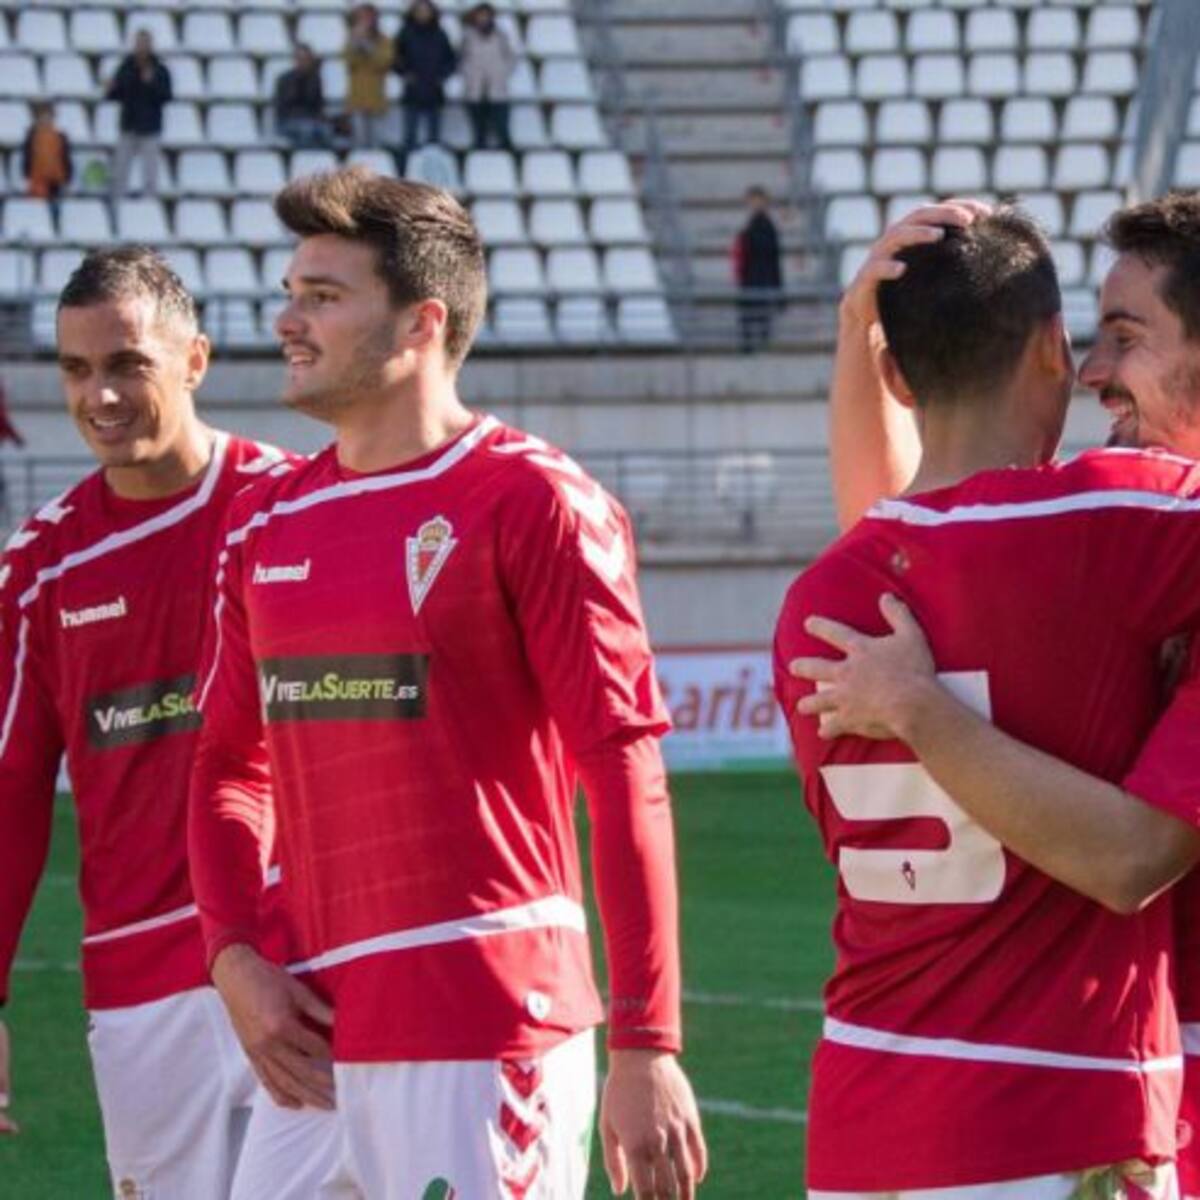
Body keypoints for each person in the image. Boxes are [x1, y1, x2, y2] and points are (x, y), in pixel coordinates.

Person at [189, 167, 707, 1199]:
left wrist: (647, 1041)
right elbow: (224, 767)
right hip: (309, 1036)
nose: (287, 321)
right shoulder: (264, 523)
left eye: (323, 297)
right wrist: (234, 957)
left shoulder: (534, 501)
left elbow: (624, 773)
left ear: (422, 323)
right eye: (291, 293)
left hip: (483, 1024)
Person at [775, 206, 1200, 1198]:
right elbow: (923, 534)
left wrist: (868, 344)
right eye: (1088, 338)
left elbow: (1134, 857)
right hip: (1084, 1102)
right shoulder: (1120, 528)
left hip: (912, 1103)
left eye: (1125, 336)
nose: (1093, 371)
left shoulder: (826, 600)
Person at [0, 247, 312, 1196]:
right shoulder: (40, 569)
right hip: (142, 988)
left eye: (127, 364)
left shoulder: (293, 506)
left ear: (195, 360)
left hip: (301, 956)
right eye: (76, 369)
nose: (99, 395)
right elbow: (11, 792)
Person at [105, 30, 172, 201]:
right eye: (139, 43)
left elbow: (166, 96)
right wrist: (110, 89)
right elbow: (115, 95)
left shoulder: (160, 70)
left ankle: (149, 203)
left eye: (145, 43)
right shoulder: (125, 67)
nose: (142, 47)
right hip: (129, 124)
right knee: (120, 169)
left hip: (150, 127)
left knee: (150, 172)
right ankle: (118, 201)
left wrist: (151, 83)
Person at [394, 0, 457, 154]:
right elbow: (395, 58)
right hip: (413, 90)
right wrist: (405, 73)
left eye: (426, 11)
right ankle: (408, 163)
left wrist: (442, 76)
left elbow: (451, 59)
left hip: (434, 89)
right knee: (410, 135)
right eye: (420, 11)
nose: (423, 14)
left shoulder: (440, 34)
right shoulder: (405, 33)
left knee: (434, 137)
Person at [733, 186, 783, 354]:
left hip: (761, 276)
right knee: (749, 314)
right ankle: (751, 345)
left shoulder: (766, 226)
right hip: (751, 276)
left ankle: (756, 345)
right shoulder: (751, 225)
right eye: (751, 201)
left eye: (757, 200)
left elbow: (773, 258)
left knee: (759, 314)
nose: (754, 204)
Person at [460, 3, 516, 151]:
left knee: (502, 129)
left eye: (486, 15)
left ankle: (507, 158)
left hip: (497, 89)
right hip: (475, 89)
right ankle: (480, 159)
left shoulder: (501, 36)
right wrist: (468, 75)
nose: (483, 18)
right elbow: (462, 59)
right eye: (480, 15)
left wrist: (502, 73)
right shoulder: (468, 37)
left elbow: (510, 58)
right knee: (479, 132)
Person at [344, 5, 393, 149]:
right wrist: (356, 42)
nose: (365, 21)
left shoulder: (384, 40)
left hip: (376, 98)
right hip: (357, 98)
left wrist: (367, 45)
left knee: (376, 144)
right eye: (362, 18)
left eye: (369, 17)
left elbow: (384, 62)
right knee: (359, 143)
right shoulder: (351, 39)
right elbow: (349, 61)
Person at [273, 43, 329, 150]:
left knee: (326, 131)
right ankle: (305, 158)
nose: (303, 62)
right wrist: (299, 80)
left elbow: (318, 105)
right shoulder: (284, 79)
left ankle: (323, 158)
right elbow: (283, 107)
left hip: (311, 120)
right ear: (295, 60)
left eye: (306, 59)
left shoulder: (315, 79)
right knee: (306, 130)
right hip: (288, 121)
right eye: (300, 59)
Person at [21, 101, 72, 205]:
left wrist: (67, 179)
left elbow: (66, 159)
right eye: (42, 117)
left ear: (53, 117)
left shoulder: (61, 136)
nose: (45, 120)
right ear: (36, 119)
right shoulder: (31, 136)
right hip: (37, 181)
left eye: (48, 116)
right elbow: (27, 159)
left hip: (57, 181)